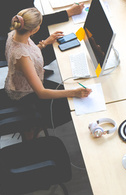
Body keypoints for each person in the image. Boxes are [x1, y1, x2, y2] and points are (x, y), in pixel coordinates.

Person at [5, 8, 92, 136]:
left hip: (26, 82)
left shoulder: (14, 34)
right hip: (27, 95)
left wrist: (45, 42)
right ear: (35, 30)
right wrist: (74, 92)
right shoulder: (22, 57)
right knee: (73, 105)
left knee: (66, 91)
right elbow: (41, 93)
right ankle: (36, 126)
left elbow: (29, 51)